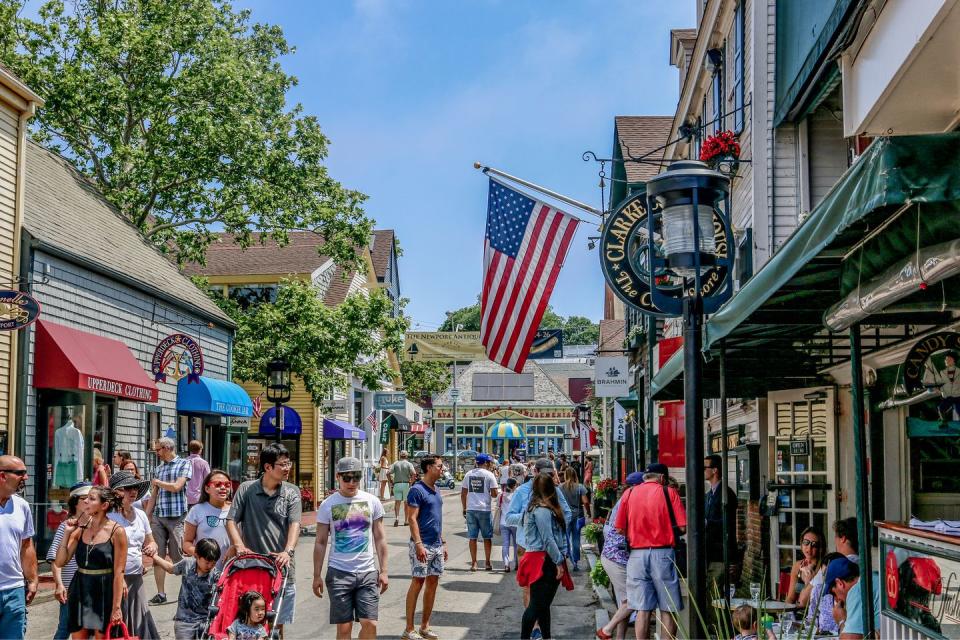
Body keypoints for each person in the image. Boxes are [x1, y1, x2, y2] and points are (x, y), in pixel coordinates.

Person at [226, 442, 301, 638]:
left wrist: (288, 551)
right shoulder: (246, 489)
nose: (287, 468)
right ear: (268, 467)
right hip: (250, 569)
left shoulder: (292, 492)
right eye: (282, 464)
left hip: (281, 570)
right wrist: (239, 545)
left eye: (288, 463)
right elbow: (231, 520)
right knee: (247, 621)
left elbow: (295, 524)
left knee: (276, 625)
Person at [313, 456, 389, 640]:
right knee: (344, 628)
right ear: (338, 477)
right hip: (339, 573)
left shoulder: (372, 501)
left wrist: (384, 570)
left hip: (367, 572)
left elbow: (379, 537)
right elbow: (321, 541)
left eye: (356, 477)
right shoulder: (328, 505)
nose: (352, 482)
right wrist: (316, 575)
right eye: (347, 478)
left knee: (370, 624)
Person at [614, 463, 686, 640]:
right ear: (662, 478)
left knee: (642, 608)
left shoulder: (629, 494)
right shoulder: (668, 493)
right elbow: (683, 527)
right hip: (663, 554)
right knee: (668, 607)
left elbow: (619, 528)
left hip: (636, 555)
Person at [55, 485, 128, 639]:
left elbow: (119, 573)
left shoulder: (117, 532)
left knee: (102, 636)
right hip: (80, 588)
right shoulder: (81, 529)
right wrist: (67, 534)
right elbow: (60, 561)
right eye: (86, 498)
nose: (86, 501)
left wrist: (116, 607)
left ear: (104, 505)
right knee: (78, 636)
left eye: (91, 498)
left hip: (104, 589)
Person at [517, 474, 572, 640]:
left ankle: (546, 636)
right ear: (551, 489)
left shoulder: (534, 507)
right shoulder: (542, 510)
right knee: (537, 605)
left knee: (542, 604)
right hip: (543, 559)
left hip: (538, 557)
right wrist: (559, 561)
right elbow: (548, 539)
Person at [108, 470, 160, 640]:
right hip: (114, 578)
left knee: (138, 620)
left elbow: (151, 541)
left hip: (136, 578)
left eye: (135, 487)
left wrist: (152, 547)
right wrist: (119, 576)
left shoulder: (141, 515)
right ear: (116, 492)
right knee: (117, 619)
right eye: (128, 487)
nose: (133, 491)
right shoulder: (108, 516)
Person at [596, 472, 645, 640]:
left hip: (614, 556)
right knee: (633, 600)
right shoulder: (631, 499)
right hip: (617, 557)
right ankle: (607, 630)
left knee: (624, 602)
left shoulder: (625, 497)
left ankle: (619, 637)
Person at [403, 455, 447, 640]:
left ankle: (425, 626)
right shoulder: (417, 490)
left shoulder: (436, 489)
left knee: (433, 583)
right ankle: (409, 629)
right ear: (429, 468)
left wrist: (442, 542)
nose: (442, 469)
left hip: (436, 544)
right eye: (439, 466)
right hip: (422, 544)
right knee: (418, 582)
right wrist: (419, 544)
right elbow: (412, 518)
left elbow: (435, 518)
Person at [146, 436, 193, 605]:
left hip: (177, 516)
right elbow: (154, 494)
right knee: (157, 556)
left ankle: (187, 593)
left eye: (158, 449)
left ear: (167, 448)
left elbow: (177, 487)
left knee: (178, 556)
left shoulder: (184, 464)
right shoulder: (159, 468)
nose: (156, 452)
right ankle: (161, 593)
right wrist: (146, 516)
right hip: (159, 515)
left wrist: (158, 482)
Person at [147, 538, 222, 640]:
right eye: (207, 562)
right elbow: (170, 568)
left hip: (205, 621)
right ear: (197, 556)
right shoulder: (187, 564)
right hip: (184, 620)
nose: (210, 566)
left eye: (213, 563)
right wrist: (154, 556)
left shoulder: (216, 575)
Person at [0, 455, 37, 640]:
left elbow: (26, 545)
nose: (26, 477)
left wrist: (32, 579)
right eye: (20, 473)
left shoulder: (22, 506)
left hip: (14, 590)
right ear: (2, 476)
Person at [49, 482, 91, 640]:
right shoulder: (66, 526)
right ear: (75, 502)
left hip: (92, 587)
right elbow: (55, 559)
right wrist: (59, 585)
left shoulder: (97, 525)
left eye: (91, 498)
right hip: (70, 588)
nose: (89, 502)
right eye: (84, 498)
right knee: (65, 628)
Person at [184, 469, 233, 568]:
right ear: (207, 488)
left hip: (231, 570)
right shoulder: (197, 510)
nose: (223, 487)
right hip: (205, 571)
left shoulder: (236, 509)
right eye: (217, 484)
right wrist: (201, 556)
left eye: (227, 484)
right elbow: (186, 543)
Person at [704, 454, 738, 593]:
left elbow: (728, 523)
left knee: (715, 593)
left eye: (705, 467)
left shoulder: (726, 494)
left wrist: (707, 522)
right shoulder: (709, 494)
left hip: (720, 553)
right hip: (710, 552)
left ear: (714, 470)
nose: (703, 470)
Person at [824, 556, 880, 639]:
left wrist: (841, 621)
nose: (836, 599)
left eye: (833, 593)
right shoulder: (871, 577)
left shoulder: (858, 590)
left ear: (839, 583)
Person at [461, 453, 499, 571]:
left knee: (472, 538)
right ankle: (487, 563)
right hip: (484, 510)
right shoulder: (489, 475)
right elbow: (494, 494)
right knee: (487, 537)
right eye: (490, 462)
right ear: (486, 463)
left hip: (471, 509)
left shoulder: (468, 474)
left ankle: (474, 563)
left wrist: (464, 508)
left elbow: (463, 493)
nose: (491, 464)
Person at [803, 551, 843, 634]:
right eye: (824, 574)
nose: (826, 578)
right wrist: (813, 628)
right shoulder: (818, 590)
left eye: (829, 574)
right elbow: (811, 618)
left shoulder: (851, 594)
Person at [558, 467, 590, 571]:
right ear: (575, 475)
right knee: (576, 539)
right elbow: (585, 501)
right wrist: (588, 512)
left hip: (564, 516)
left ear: (566, 475)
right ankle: (575, 562)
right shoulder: (580, 487)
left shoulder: (560, 487)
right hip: (577, 516)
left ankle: (566, 559)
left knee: (565, 538)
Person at [786, 526, 825, 605]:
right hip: (798, 610)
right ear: (801, 543)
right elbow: (790, 598)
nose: (809, 548)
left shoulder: (824, 566)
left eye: (814, 545)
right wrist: (785, 613)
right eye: (806, 542)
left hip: (816, 613)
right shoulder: (797, 566)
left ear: (820, 547)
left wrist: (810, 578)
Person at [389, 451, 417, 527]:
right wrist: (411, 482)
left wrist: (391, 481)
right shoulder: (408, 464)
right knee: (406, 503)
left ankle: (397, 518)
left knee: (397, 502)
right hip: (406, 484)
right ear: (406, 456)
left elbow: (388, 472)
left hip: (397, 484)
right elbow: (414, 473)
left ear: (400, 456)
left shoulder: (395, 463)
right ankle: (406, 520)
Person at [499, 478, 519, 572]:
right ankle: (517, 563)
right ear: (514, 486)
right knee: (516, 544)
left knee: (505, 544)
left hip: (503, 522)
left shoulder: (501, 495)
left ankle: (506, 564)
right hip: (515, 523)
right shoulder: (517, 495)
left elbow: (498, 506)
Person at [185, 440, 212, 509]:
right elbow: (208, 479)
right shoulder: (204, 463)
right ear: (200, 450)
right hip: (199, 497)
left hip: (185, 497)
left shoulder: (184, 462)